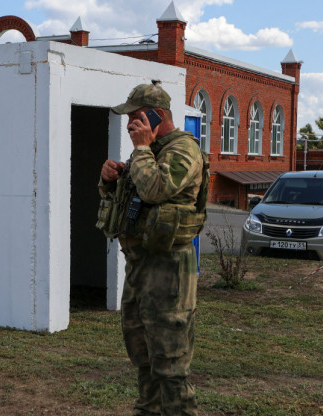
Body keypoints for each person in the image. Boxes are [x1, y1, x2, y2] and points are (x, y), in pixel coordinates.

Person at [98, 83, 208, 415]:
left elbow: (156, 190)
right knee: (142, 355)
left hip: (169, 271)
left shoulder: (183, 150)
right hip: (140, 267)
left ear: (155, 115)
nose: (131, 124)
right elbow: (126, 202)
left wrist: (143, 149)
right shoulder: (147, 151)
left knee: (170, 363)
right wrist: (109, 180)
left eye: (135, 116)